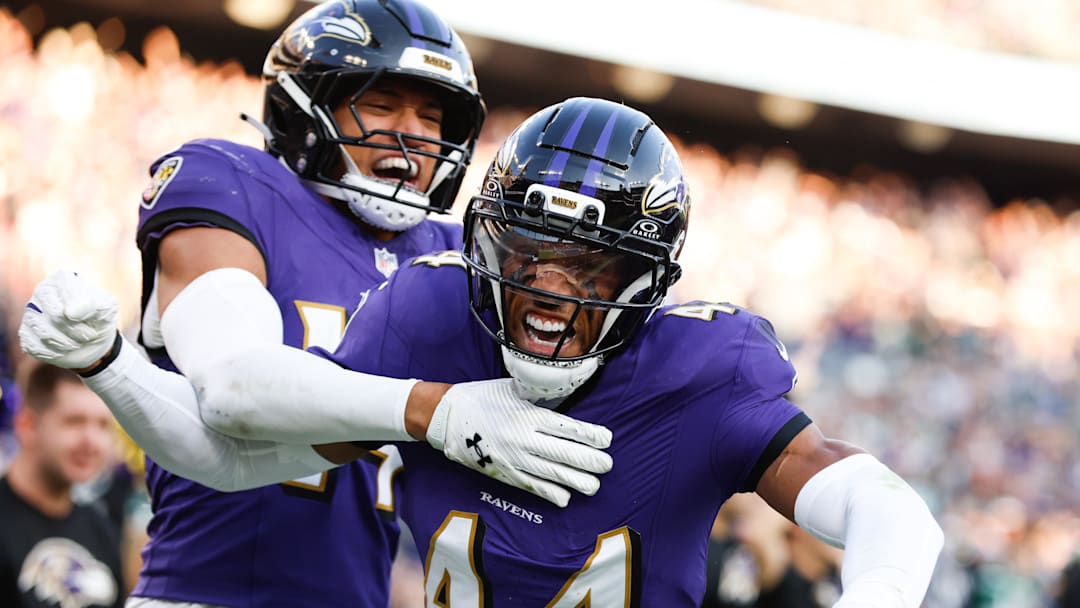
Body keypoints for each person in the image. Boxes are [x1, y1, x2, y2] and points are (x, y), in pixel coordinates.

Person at [23, 97, 944, 605]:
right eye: (527, 255)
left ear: (649, 280)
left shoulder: (704, 370)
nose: (550, 290)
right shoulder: (429, 320)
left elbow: (884, 507)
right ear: (481, 243)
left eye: (590, 267)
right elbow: (225, 457)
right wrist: (114, 363)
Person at [19, 2, 614, 606]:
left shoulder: (447, 254)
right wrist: (434, 409)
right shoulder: (235, 183)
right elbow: (232, 388)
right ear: (305, 109)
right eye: (381, 105)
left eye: (434, 117)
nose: (414, 133)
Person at [0, 362, 124, 608]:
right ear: (27, 425)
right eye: (74, 422)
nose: (92, 441)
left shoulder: (101, 529)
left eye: (102, 425)